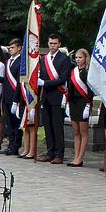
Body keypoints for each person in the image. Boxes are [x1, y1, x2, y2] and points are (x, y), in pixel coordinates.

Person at [36, 34, 69, 164]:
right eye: (50, 43)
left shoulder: (64, 59)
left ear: (59, 44)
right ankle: (50, 152)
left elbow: (62, 78)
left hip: (58, 96)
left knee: (57, 126)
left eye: (55, 43)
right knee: (48, 127)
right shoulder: (44, 59)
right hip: (46, 97)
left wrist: (45, 83)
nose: (52, 46)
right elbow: (42, 75)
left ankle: (59, 154)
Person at [67, 48, 94, 167]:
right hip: (73, 103)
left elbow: (90, 90)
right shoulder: (73, 71)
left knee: (83, 132)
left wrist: (88, 105)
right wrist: (67, 102)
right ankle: (76, 156)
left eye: (80, 57)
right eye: (76, 57)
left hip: (84, 103)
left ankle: (80, 157)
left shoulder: (88, 72)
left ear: (85, 58)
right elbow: (69, 88)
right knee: (76, 132)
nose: (78, 60)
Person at [1, 39, 23, 156]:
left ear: (19, 48)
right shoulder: (8, 61)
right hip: (6, 96)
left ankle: (15, 146)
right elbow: (5, 79)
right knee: (8, 123)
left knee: (16, 123)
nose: (10, 49)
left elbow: (19, 82)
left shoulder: (21, 62)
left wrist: (16, 100)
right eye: (9, 48)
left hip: (15, 97)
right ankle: (10, 144)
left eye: (13, 47)